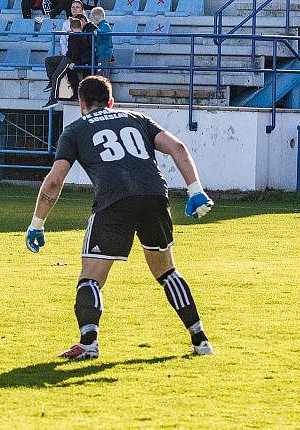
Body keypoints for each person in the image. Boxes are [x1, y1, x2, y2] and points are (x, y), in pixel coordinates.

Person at [25, 75, 215, 360]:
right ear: (111, 101)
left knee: (90, 278)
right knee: (167, 272)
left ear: (81, 104)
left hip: (114, 201)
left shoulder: (75, 130)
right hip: (154, 196)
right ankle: (200, 340)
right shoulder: (138, 118)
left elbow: (54, 181)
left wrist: (37, 223)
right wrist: (195, 191)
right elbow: (178, 147)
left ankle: (89, 342)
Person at [42, 18, 89, 108]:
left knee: (57, 75)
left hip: (70, 60)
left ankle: (53, 99)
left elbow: (75, 52)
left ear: (70, 27)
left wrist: (72, 62)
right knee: (49, 60)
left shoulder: (76, 37)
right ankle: (51, 82)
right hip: (68, 58)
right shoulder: (80, 35)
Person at [91, 7, 113, 77]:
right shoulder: (101, 26)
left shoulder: (104, 25)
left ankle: (104, 88)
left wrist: (97, 31)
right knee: (101, 74)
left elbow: (105, 35)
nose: (93, 21)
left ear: (96, 17)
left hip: (104, 54)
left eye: (93, 18)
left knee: (103, 75)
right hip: (101, 54)